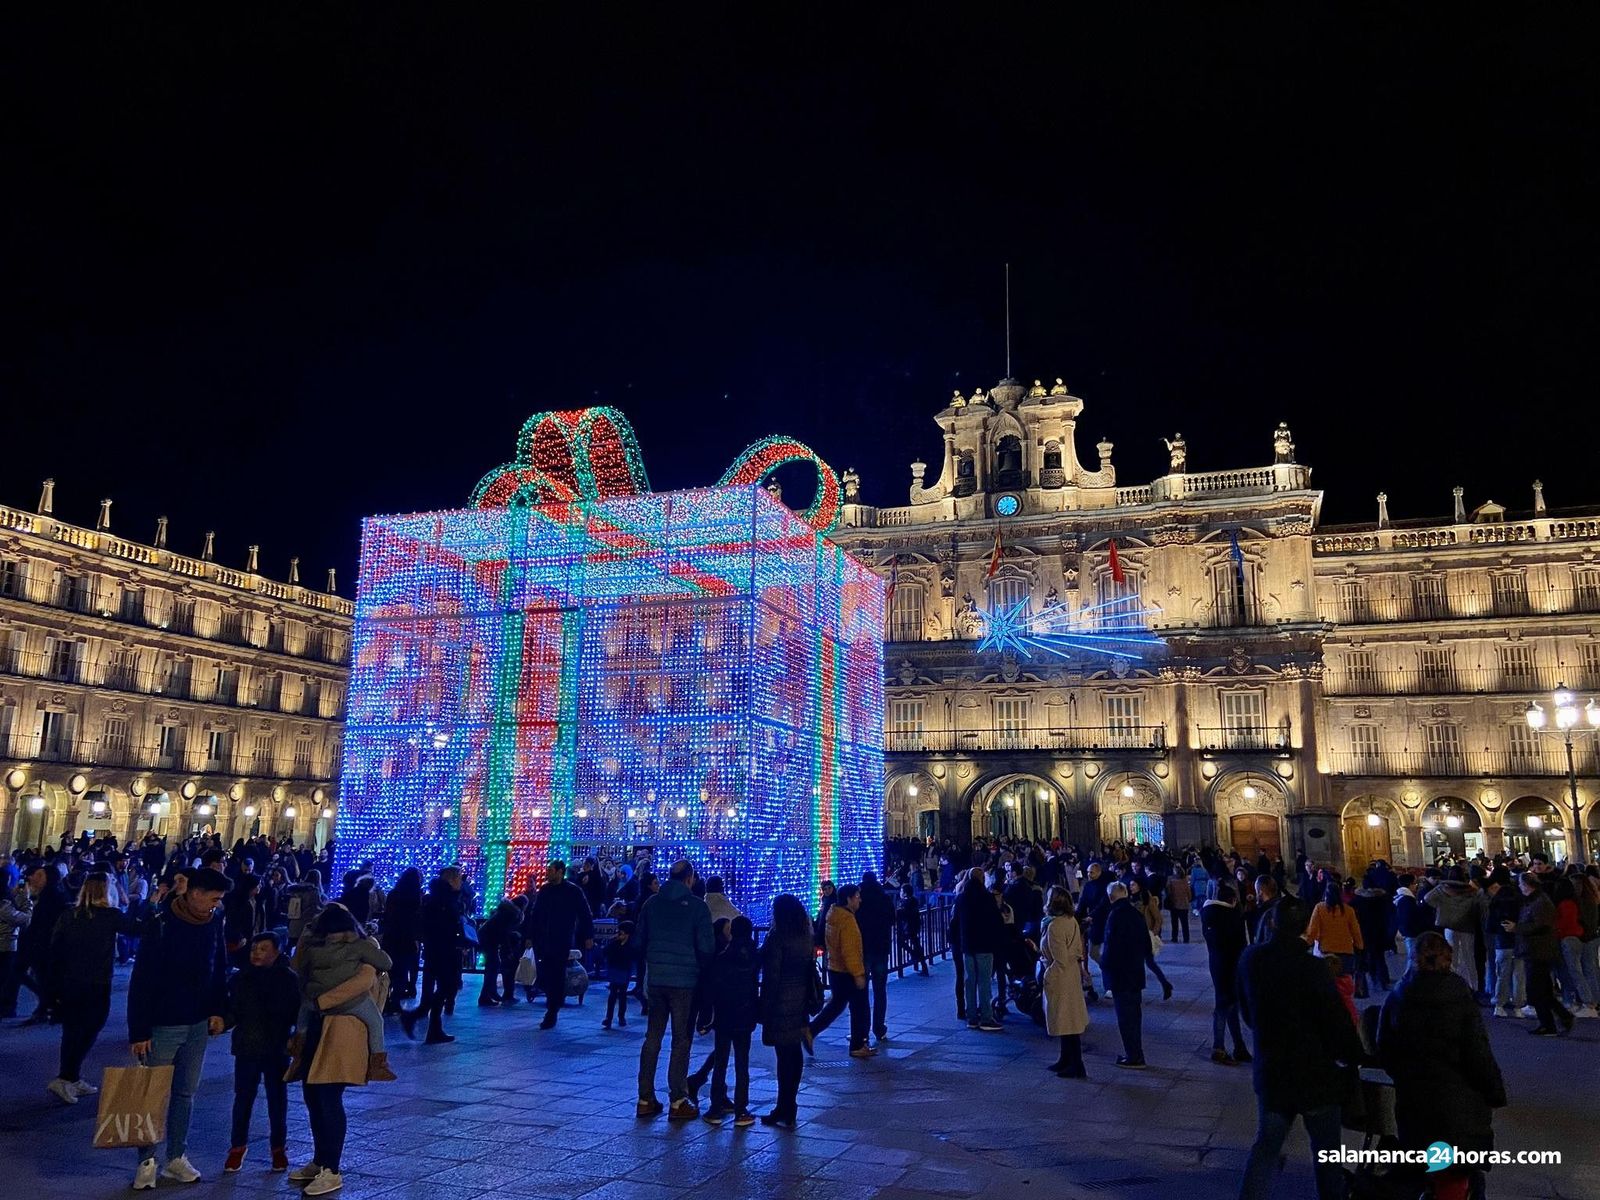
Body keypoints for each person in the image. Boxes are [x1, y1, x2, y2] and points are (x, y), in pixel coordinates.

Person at [1236, 899, 1364, 1200]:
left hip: (1273, 1069)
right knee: (1326, 1154)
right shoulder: (1313, 969)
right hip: (1315, 1075)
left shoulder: (1251, 960)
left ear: (1272, 923)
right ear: (1307, 928)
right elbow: (1335, 1021)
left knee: (1266, 1147)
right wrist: (1353, 1055)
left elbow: (1246, 1013)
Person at [1377, 932, 1507, 1200]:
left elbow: (1384, 1048)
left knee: (1427, 1168)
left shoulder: (1399, 997)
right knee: (1459, 1175)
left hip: (1414, 1103)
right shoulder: (1459, 998)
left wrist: (1405, 1076)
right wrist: (1494, 1092)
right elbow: (1477, 1054)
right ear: (1449, 958)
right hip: (1457, 1106)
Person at [127, 867, 232, 1190]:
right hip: (163, 1022)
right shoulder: (161, 924)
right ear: (194, 893)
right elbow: (142, 979)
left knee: (185, 1093)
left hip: (198, 1021)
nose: (216, 905)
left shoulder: (213, 923)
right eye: (213, 898)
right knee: (153, 1093)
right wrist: (139, 1031)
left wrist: (218, 1011)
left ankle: (175, 1157)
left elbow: (218, 967)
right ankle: (147, 1160)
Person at [45, 873, 143, 1105]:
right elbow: (137, 928)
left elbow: (55, 949)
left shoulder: (71, 914)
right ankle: (65, 1077)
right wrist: (151, 903)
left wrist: (53, 986)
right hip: (96, 982)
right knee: (90, 1027)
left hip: (70, 981)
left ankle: (71, 1075)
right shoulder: (109, 916)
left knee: (73, 1029)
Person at [635, 859, 714, 1119]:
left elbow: (639, 940)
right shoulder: (697, 907)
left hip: (656, 979)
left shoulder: (651, 904)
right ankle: (678, 1099)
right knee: (681, 1040)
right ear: (689, 879)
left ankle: (645, 1098)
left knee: (652, 1037)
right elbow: (706, 949)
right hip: (685, 983)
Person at [224, 932, 301, 1174]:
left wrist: (294, 1037)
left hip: (276, 1047)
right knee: (243, 1098)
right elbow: (233, 1010)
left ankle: (278, 1147)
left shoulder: (288, 980)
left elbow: (296, 1012)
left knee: (277, 1099)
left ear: (276, 952)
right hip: (247, 1046)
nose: (257, 953)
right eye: (254, 949)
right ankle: (237, 1146)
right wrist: (222, 1022)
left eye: (263, 949)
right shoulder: (240, 979)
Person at [294, 904, 395, 1081]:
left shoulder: (312, 948)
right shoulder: (358, 946)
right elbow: (385, 963)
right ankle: (378, 1064)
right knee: (376, 1021)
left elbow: (299, 968)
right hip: (349, 1003)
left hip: (314, 999)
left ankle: (297, 1046)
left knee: (304, 1013)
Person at [758, 893, 817, 1128]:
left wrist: (764, 1006)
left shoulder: (778, 936)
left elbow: (772, 975)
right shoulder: (805, 934)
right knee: (794, 1053)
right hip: (800, 998)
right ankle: (790, 1105)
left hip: (782, 1000)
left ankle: (784, 1106)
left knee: (784, 1057)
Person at [1101, 881, 1170, 1068]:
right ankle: (1136, 1053)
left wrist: (1104, 967)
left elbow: (1110, 947)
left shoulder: (1114, 916)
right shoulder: (1136, 914)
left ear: (1111, 897)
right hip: (1136, 973)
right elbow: (1147, 945)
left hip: (1120, 975)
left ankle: (1133, 1056)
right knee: (1135, 1016)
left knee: (1125, 1018)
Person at [700, 915, 760, 1126]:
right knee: (742, 1064)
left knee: (721, 1062)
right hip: (746, 1015)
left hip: (724, 1015)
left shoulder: (722, 957)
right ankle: (741, 1110)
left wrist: (706, 1017)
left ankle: (716, 1108)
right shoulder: (754, 955)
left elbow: (712, 988)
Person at [524, 860, 595, 1028]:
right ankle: (553, 1000)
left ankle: (552, 1009)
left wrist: (588, 935)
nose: (547, 873)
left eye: (550, 870)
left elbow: (585, 913)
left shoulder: (572, 891)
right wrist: (530, 936)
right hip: (543, 940)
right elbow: (536, 915)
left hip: (561, 939)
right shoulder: (545, 890)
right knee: (545, 974)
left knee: (556, 974)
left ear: (560, 872)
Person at [401, 866, 467, 1045]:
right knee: (448, 986)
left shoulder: (439, 898)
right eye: (459, 878)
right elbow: (444, 925)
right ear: (452, 879)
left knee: (446, 987)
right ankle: (418, 1016)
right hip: (443, 950)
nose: (461, 881)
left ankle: (431, 1026)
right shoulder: (443, 900)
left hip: (438, 949)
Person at [807, 883, 872, 1056]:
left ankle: (811, 1031)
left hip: (835, 968)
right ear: (848, 899)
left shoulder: (833, 913)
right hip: (846, 971)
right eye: (857, 897)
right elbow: (850, 950)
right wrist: (858, 974)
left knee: (837, 1004)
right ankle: (857, 1045)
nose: (860, 900)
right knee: (858, 1007)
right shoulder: (847, 920)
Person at [1505, 870, 1572, 1036]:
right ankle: (1562, 1017)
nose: (1519, 887)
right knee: (1543, 990)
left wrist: (1517, 928)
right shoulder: (1535, 901)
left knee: (1537, 989)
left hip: (1538, 951)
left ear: (1528, 885)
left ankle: (1549, 1024)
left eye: (1521, 884)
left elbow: (1540, 925)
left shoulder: (1539, 902)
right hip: (1535, 950)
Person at [1038, 886, 1088, 1078]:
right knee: (1068, 1020)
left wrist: (1048, 975)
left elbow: (1060, 958)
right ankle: (1066, 1059)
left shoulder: (1055, 926)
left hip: (1060, 977)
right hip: (1070, 975)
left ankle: (1074, 1063)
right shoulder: (1070, 920)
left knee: (1065, 1020)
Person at [1202, 880, 1251, 1066]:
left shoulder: (1208, 914)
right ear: (1232, 900)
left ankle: (1239, 1046)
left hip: (1216, 963)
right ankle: (1218, 1046)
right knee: (1225, 1006)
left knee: (1228, 1004)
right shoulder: (1232, 918)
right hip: (1232, 966)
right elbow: (1241, 945)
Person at [18, 862, 68, 1023]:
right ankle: (48, 1005)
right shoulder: (46, 895)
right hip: (39, 944)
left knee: (42, 977)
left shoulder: (52, 896)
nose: (34, 878)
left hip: (44, 944)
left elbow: (45, 922)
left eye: (40, 876)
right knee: (38, 976)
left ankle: (48, 1006)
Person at [955, 869, 1004, 1032]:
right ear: (982, 879)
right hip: (984, 944)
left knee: (970, 981)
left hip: (967, 945)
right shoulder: (987, 898)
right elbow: (997, 920)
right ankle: (986, 1016)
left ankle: (971, 1016)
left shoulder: (961, 898)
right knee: (984, 981)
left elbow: (955, 922)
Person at [856, 871, 896, 1042]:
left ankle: (862, 1030)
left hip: (863, 949)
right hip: (881, 948)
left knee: (862, 991)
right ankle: (879, 1027)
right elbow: (892, 919)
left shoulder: (859, 899)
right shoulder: (884, 898)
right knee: (880, 990)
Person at [379, 867, 423, 1010]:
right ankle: (396, 1002)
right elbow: (415, 920)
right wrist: (416, 938)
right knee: (402, 971)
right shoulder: (415, 896)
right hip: (407, 938)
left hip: (391, 936)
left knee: (390, 970)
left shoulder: (393, 894)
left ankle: (385, 1000)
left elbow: (387, 915)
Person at [475, 894, 525, 1008]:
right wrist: (508, 949)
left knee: (492, 967)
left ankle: (488, 994)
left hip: (486, 938)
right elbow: (503, 932)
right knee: (492, 967)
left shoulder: (505, 911)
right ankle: (487, 995)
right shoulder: (512, 914)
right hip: (488, 940)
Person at [1305, 881, 1363, 978]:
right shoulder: (1348, 910)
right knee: (1344, 982)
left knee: (1327, 982)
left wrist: (1306, 944)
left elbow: (1312, 931)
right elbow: (1355, 931)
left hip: (1327, 952)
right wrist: (1359, 946)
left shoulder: (1319, 908)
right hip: (1346, 951)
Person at [1, 874, 33, 1018]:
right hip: (6, 944)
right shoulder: (3, 905)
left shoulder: (5, 902)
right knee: (7, 977)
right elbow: (23, 918)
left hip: (6, 943)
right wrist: (27, 899)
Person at [602, 921, 636, 1029]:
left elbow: (631, 956)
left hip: (624, 970)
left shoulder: (631, 946)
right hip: (615, 969)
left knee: (622, 994)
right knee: (612, 994)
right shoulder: (614, 943)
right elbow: (605, 952)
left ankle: (621, 1016)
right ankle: (609, 1018)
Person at [895, 884, 929, 976]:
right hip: (915, 926)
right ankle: (923, 966)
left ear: (905, 893)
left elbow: (902, 914)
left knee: (901, 941)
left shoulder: (905, 902)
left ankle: (914, 955)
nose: (900, 893)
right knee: (916, 945)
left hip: (908, 927)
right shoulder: (914, 901)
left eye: (901, 891)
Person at [1164, 867, 1192, 943]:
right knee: (1185, 923)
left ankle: (1174, 938)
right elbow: (1189, 893)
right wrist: (1188, 899)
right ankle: (1186, 938)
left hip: (1174, 904)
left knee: (1174, 923)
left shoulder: (1171, 881)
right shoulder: (1185, 881)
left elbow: (1168, 892)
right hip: (1184, 905)